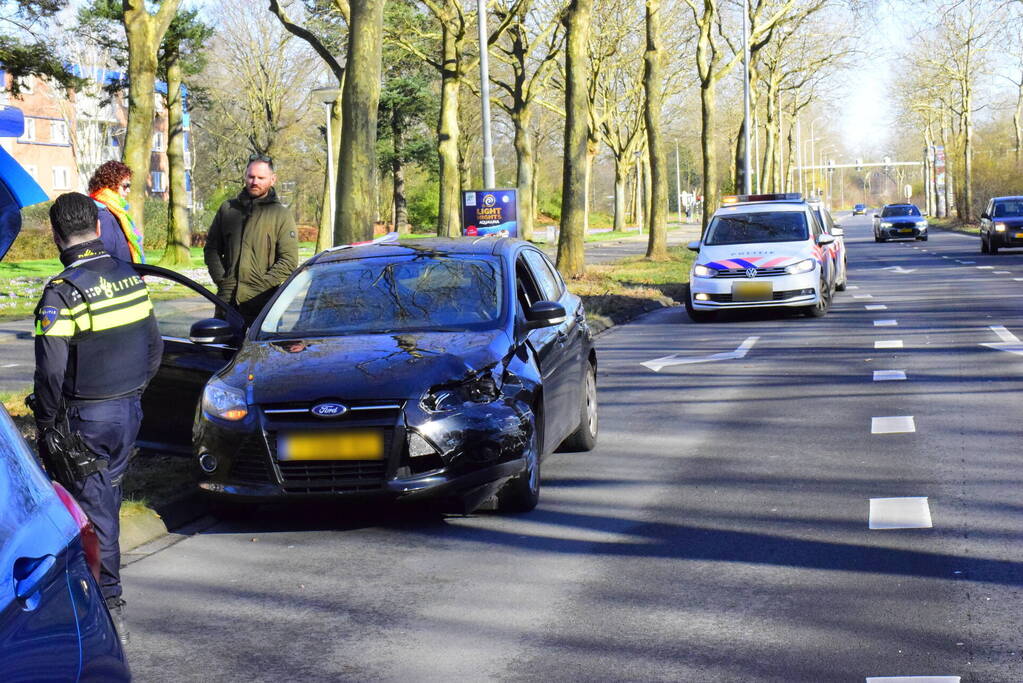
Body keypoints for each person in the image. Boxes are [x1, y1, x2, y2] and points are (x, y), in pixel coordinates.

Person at [31, 192, 163, 644]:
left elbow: (49, 370)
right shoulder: (130, 278)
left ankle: (107, 609)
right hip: (127, 413)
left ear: (56, 235)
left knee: (94, 514)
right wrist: (134, 393)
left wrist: (48, 424)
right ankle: (91, 601)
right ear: (98, 227)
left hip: (84, 421)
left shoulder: (61, 293)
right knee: (104, 502)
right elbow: (155, 348)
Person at [204, 154, 298, 323]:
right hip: (227, 302)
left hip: (264, 305)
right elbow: (212, 249)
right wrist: (222, 281)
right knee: (224, 349)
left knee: (263, 350)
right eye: (251, 176)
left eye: (261, 178)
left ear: (272, 179)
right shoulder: (228, 209)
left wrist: (260, 286)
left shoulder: (281, 215)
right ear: (245, 177)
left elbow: (289, 261)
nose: (255, 182)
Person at [88, 160, 145, 263]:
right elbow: (104, 254)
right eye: (125, 185)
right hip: (119, 275)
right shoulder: (101, 213)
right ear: (110, 184)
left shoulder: (116, 211)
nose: (128, 190)